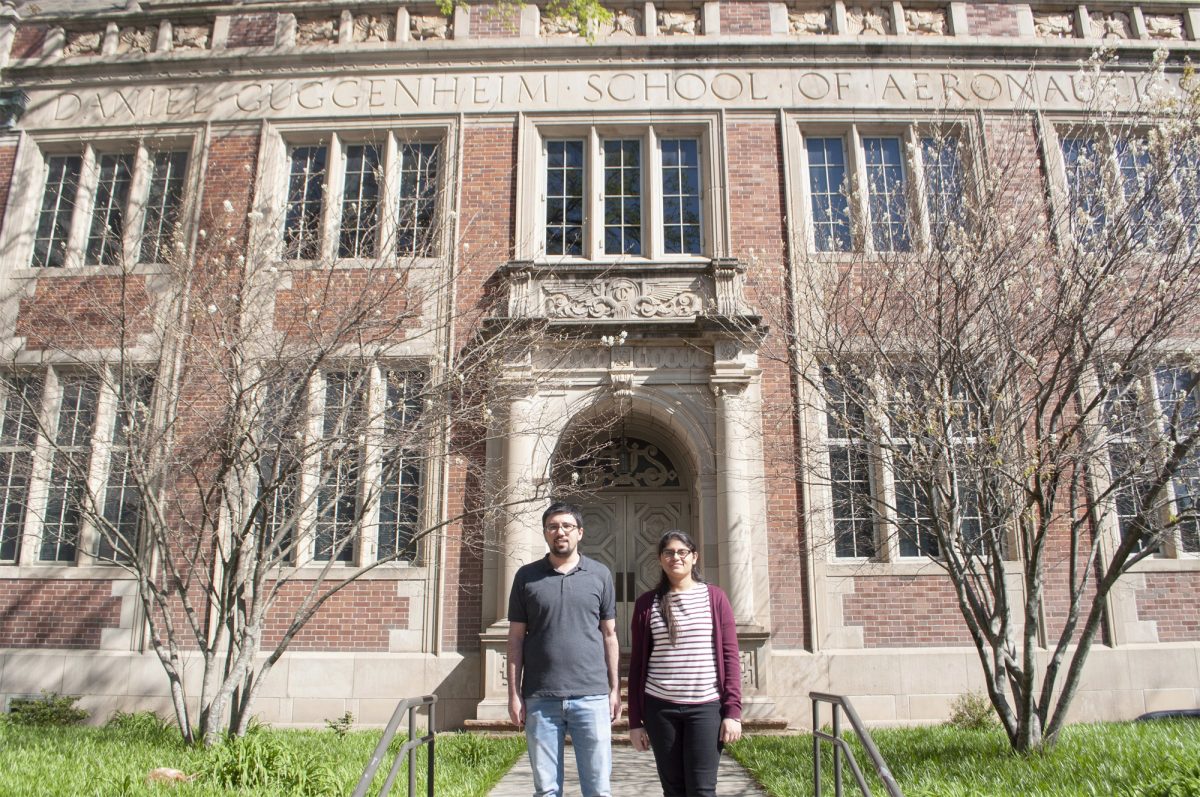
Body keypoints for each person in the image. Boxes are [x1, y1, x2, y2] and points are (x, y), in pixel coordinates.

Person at [507, 502, 621, 797]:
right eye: (553, 526)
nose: (560, 532)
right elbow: (516, 638)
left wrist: (614, 689)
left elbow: (610, 635)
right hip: (541, 698)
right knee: (546, 790)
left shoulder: (600, 575)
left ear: (580, 532)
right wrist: (514, 694)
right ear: (545, 533)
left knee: (597, 789)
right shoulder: (526, 577)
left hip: (592, 696)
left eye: (567, 526)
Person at [627, 529, 742, 797]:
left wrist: (732, 712)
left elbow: (730, 656)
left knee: (702, 790)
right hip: (660, 709)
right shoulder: (647, 604)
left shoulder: (715, 598)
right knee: (674, 790)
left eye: (682, 552)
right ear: (660, 559)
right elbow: (637, 667)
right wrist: (635, 722)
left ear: (694, 557)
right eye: (668, 552)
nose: (675, 557)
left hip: (705, 708)